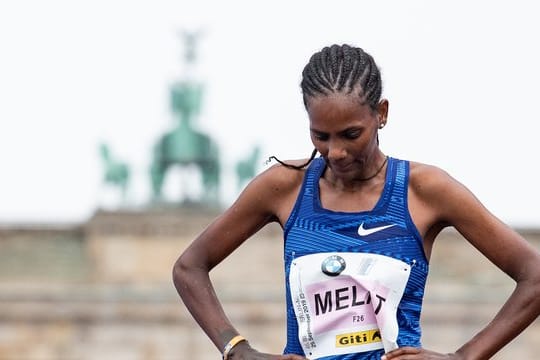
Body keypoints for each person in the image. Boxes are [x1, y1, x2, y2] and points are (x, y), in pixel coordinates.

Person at [172, 44, 540, 359]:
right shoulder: (285, 187)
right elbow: (190, 267)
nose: (336, 152)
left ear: (381, 114)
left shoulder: (424, 189)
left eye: (351, 134)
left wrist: (464, 356)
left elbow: (534, 276)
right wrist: (236, 349)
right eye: (321, 136)